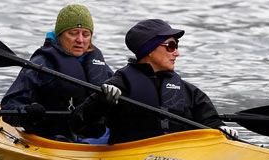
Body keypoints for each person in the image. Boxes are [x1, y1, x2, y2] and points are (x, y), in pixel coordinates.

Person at [71, 19, 239, 144]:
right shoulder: (119, 86)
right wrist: (100, 102)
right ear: (149, 50)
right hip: (131, 157)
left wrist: (220, 129)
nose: (176, 53)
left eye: (177, 46)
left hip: (181, 156)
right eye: (171, 46)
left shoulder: (188, 91)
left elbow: (209, 121)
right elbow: (82, 128)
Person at [1, 4, 113, 142]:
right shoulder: (41, 63)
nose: (80, 40)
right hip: (52, 137)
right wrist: (27, 112)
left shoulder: (96, 63)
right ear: (60, 35)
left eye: (86, 34)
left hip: (91, 136)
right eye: (73, 33)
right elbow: (8, 107)